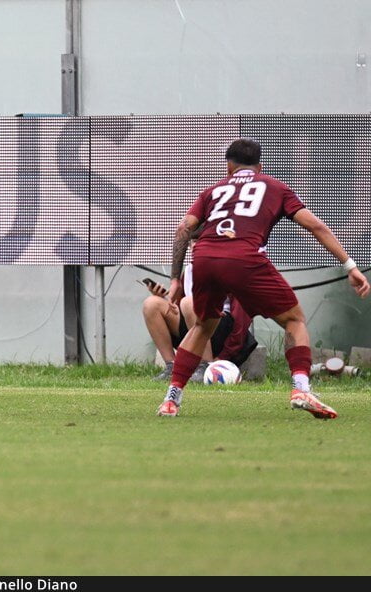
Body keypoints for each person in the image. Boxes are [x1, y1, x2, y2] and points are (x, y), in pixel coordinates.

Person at [157, 139, 369, 418]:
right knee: (294, 320)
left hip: (205, 258)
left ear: (228, 166)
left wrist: (175, 279)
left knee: (202, 327)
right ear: (260, 166)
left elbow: (184, 229)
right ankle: (301, 389)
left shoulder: (213, 189)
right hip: (245, 259)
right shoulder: (275, 186)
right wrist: (349, 265)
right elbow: (315, 225)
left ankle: (172, 399)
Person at [141, 273, 257, 380]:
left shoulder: (228, 265)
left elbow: (241, 319)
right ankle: (172, 367)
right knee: (151, 304)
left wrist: (223, 356)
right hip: (195, 330)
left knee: (189, 302)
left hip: (223, 333)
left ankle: (205, 365)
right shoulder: (188, 271)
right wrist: (164, 298)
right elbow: (179, 308)